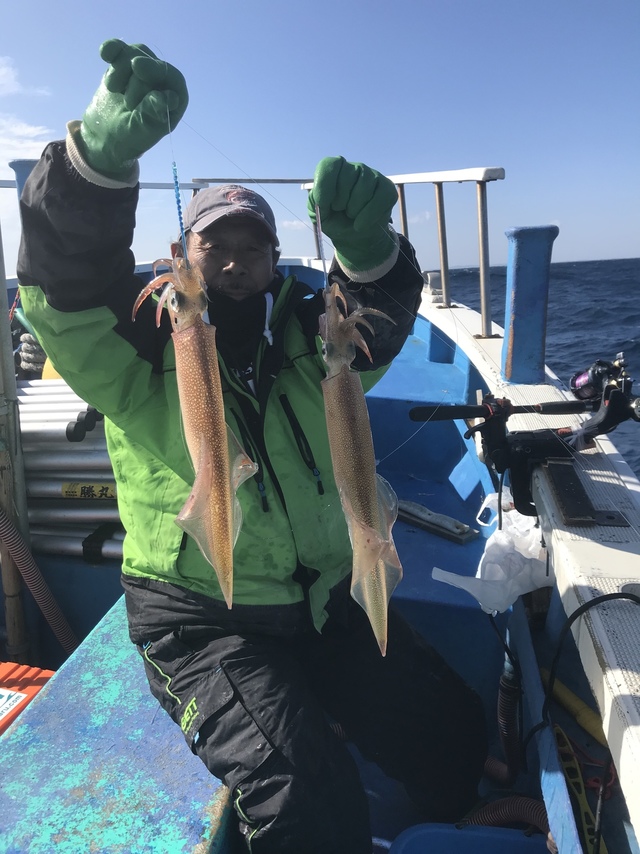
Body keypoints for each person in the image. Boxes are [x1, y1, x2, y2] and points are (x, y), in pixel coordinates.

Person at [17, 39, 487, 854]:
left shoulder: (319, 343)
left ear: (275, 261)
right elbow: (62, 293)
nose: (233, 261)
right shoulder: (135, 348)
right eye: (213, 245)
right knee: (308, 799)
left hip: (325, 599)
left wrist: (372, 247)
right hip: (203, 620)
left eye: (253, 247)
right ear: (186, 259)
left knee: (453, 731)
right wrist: (91, 168)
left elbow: (381, 304)